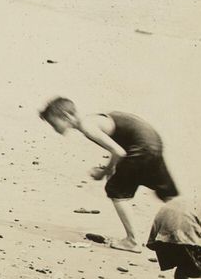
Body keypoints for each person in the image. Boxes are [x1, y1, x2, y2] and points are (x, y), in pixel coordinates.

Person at [39, 98, 179, 251]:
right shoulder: (94, 119)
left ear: (66, 116)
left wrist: (106, 171)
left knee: (116, 190)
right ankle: (197, 228)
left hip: (141, 147)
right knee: (166, 192)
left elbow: (118, 151)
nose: (54, 128)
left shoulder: (87, 126)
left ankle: (132, 241)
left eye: (54, 123)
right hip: (152, 142)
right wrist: (113, 167)